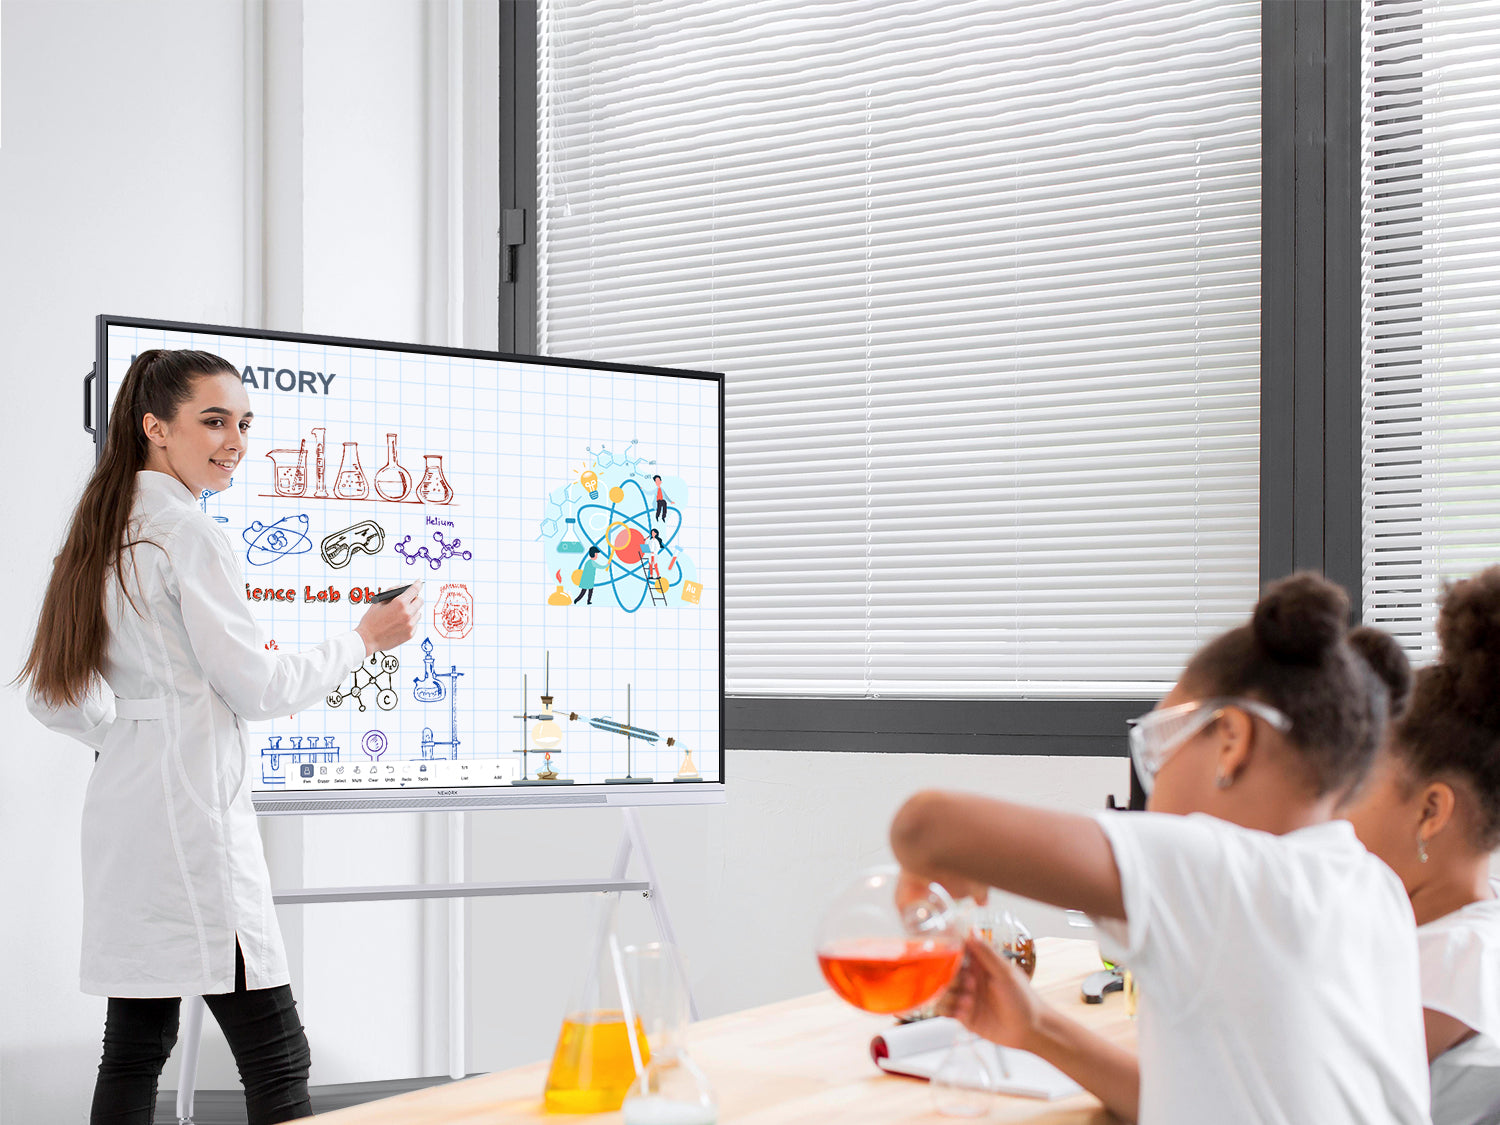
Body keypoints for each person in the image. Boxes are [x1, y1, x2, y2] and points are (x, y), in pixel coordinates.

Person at [18, 349, 423, 1125]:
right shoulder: (189, 534)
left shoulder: (98, 532)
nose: (235, 439)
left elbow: (53, 696)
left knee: (134, 1048)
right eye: (213, 420)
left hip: (124, 814)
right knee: (277, 1056)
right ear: (155, 429)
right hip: (193, 823)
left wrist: (133, 730)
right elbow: (259, 688)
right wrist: (365, 638)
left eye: (243, 422)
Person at [889, 573, 1430, 1125]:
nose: (1153, 781)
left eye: (1158, 743)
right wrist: (1038, 1029)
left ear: (1231, 740)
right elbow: (1197, 1103)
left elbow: (926, 825)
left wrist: (935, 865)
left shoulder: (1226, 870)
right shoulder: (1373, 887)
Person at [1345, 568, 1500, 1125]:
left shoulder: (1452, 962)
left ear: (1431, 811)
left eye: (1358, 783)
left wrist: (1051, 1028)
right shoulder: (1458, 929)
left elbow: (1268, 1102)